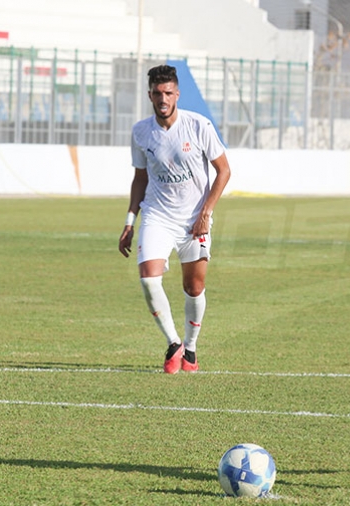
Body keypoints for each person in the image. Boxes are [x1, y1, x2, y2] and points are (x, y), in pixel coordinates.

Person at [118, 64, 232, 374]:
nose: (162, 98)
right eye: (157, 93)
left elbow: (224, 171)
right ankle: (173, 343)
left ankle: (191, 347)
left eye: (168, 92)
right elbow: (140, 179)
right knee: (148, 277)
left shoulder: (198, 126)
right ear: (150, 95)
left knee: (194, 288)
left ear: (177, 94)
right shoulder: (141, 132)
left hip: (195, 219)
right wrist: (130, 220)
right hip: (158, 215)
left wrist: (206, 213)